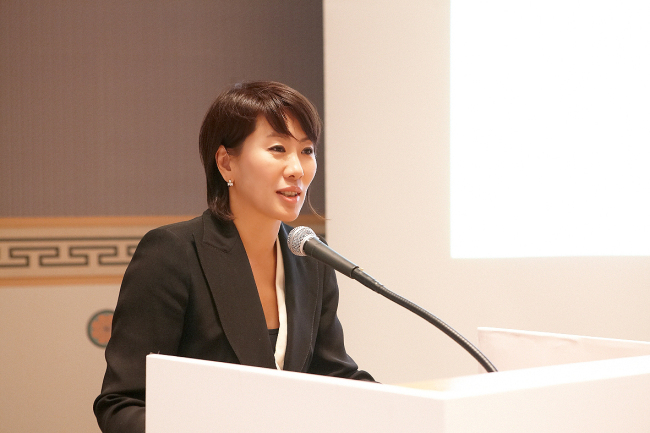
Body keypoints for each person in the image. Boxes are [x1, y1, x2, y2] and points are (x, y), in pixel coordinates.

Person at [93, 81, 374, 433]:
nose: (297, 169)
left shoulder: (311, 260)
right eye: (277, 148)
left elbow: (335, 376)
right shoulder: (173, 253)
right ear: (226, 163)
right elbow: (122, 404)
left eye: (306, 150)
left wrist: (403, 412)